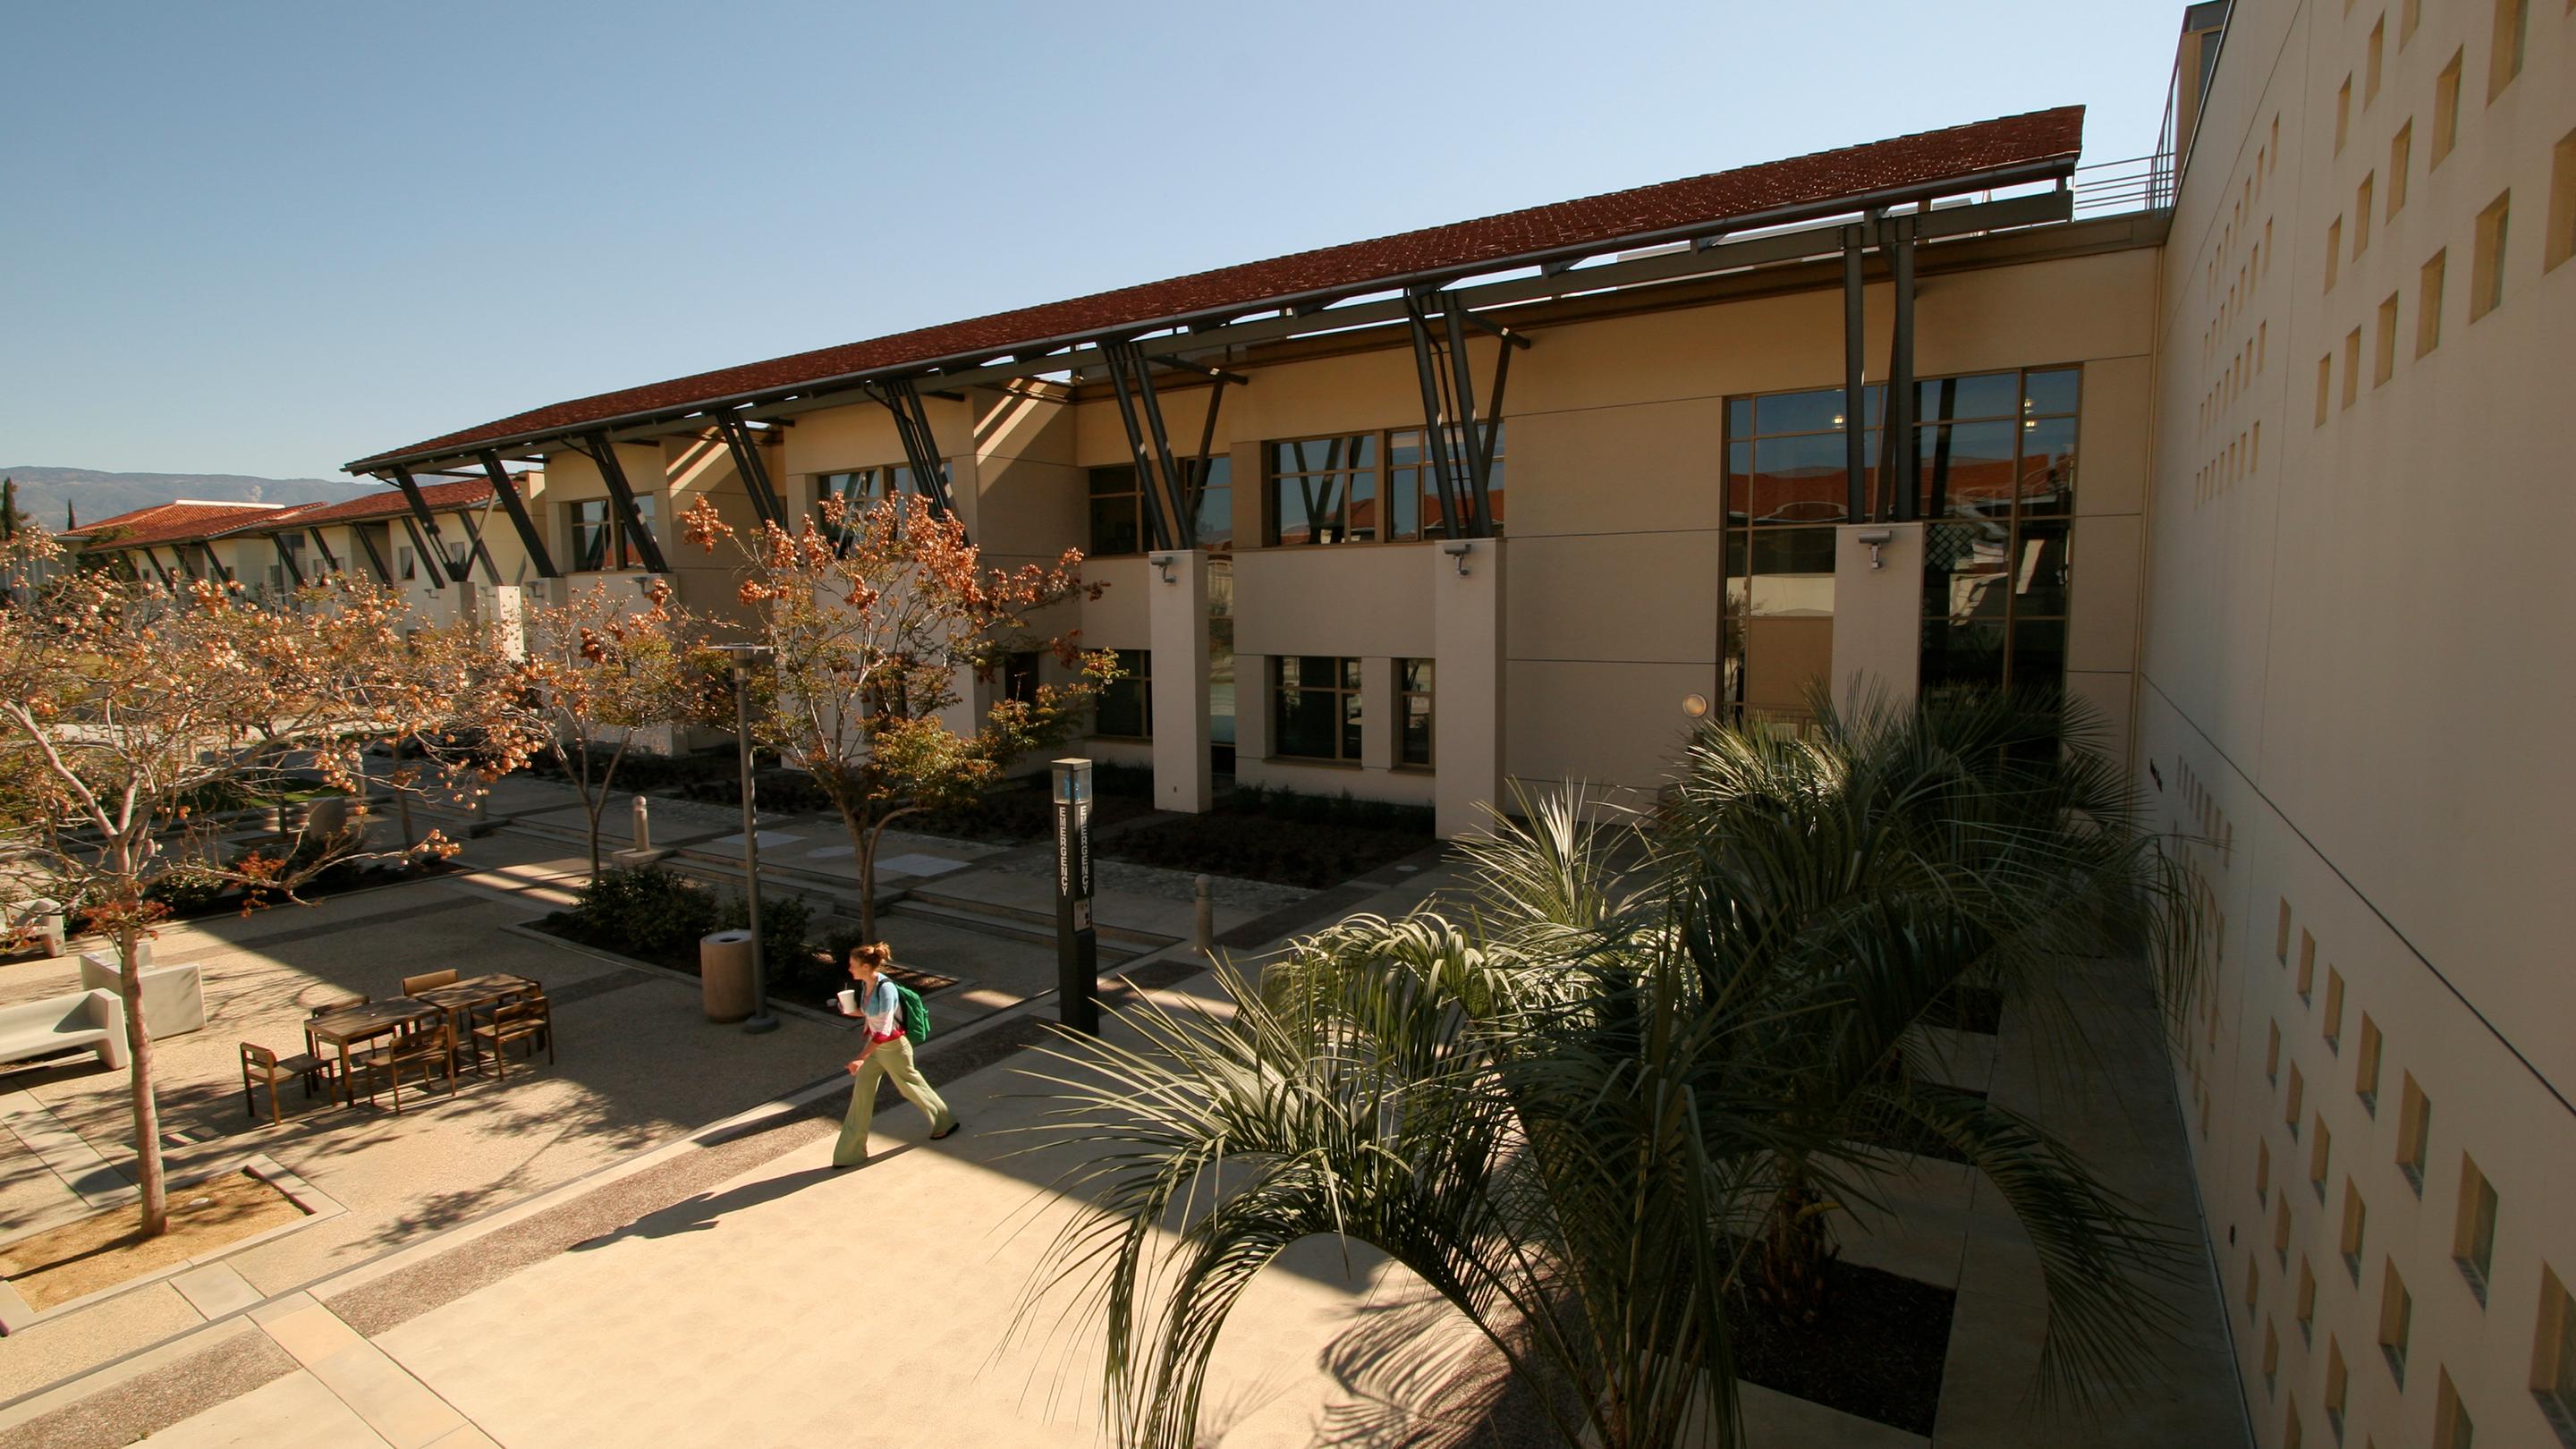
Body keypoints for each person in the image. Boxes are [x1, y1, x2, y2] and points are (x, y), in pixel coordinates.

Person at [831, 942, 957, 1168]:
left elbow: (885, 1028)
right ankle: (849, 1153)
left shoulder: (886, 989)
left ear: (866, 966)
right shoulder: (867, 985)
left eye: (853, 965)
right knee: (861, 1095)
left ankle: (944, 1121)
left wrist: (861, 1057)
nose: (849, 969)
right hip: (876, 1047)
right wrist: (850, 1010)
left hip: (894, 1047)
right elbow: (870, 1015)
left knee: (910, 1086)